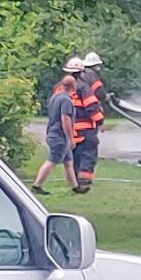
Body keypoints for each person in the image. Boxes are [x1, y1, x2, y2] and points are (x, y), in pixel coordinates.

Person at [31, 75, 83, 195]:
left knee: (68, 162)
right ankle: (36, 185)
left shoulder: (55, 97)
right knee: (52, 161)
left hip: (53, 133)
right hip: (59, 136)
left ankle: (75, 187)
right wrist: (71, 138)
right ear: (73, 86)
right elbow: (65, 119)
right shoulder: (66, 100)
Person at [61, 57, 104, 192]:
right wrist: (100, 121)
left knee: (74, 156)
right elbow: (91, 106)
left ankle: (74, 181)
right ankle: (84, 182)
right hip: (85, 130)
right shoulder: (83, 87)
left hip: (68, 129)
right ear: (81, 72)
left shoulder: (59, 88)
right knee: (88, 154)